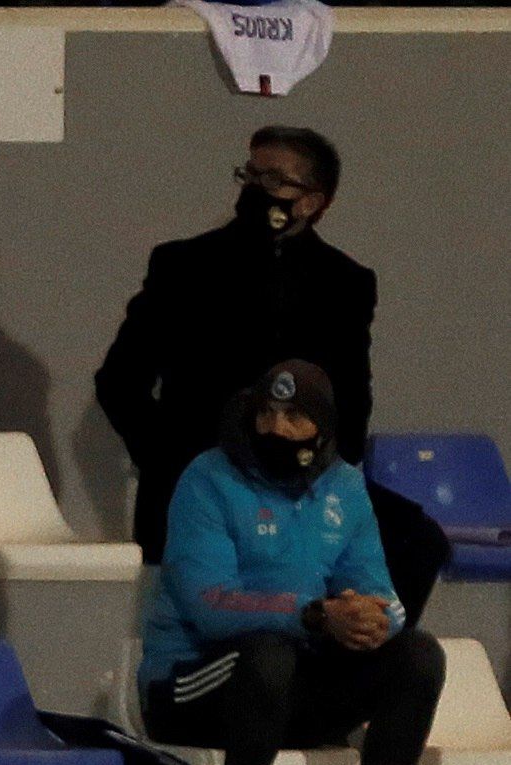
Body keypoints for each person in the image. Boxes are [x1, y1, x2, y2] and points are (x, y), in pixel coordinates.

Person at [139, 361, 445, 765]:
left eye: (294, 416)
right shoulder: (208, 479)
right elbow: (209, 604)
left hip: (282, 689)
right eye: (267, 413)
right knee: (268, 652)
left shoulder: (344, 486)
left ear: (321, 430)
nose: (276, 428)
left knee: (419, 657)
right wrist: (314, 615)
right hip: (189, 684)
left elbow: (378, 587)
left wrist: (374, 617)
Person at [96, 127, 447, 618]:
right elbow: (118, 381)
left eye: (275, 179)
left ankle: (357, 660)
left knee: (416, 539)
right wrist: (167, 460)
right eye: (251, 173)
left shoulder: (345, 283)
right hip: (203, 470)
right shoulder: (185, 266)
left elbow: (351, 397)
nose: (254, 188)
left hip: (300, 474)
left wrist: (324, 478)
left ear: (312, 202)